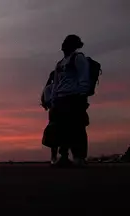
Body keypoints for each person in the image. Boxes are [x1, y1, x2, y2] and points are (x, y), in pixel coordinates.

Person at [50, 34, 91, 167]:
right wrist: (53, 99)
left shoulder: (78, 58)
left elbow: (84, 76)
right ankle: (64, 156)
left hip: (74, 97)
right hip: (61, 99)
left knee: (77, 128)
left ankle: (79, 157)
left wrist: (82, 94)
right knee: (62, 129)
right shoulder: (60, 63)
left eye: (66, 43)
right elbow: (56, 83)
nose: (63, 45)